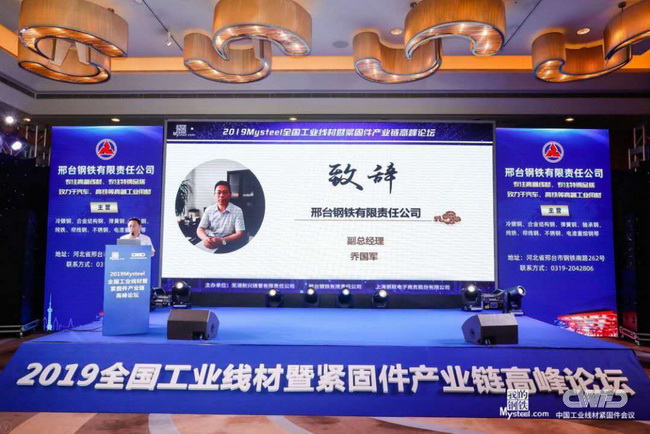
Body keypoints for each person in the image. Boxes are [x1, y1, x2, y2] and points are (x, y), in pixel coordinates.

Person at [197, 181, 245, 252]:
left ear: (230, 194)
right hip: (210, 242)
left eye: (225, 192)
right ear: (214, 195)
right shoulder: (209, 210)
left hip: (228, 243)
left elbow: (240, 233)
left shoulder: (237, 210)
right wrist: (205, 239)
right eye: (218, 192)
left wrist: (222, 240)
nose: (221, 195)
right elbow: (200, 228)